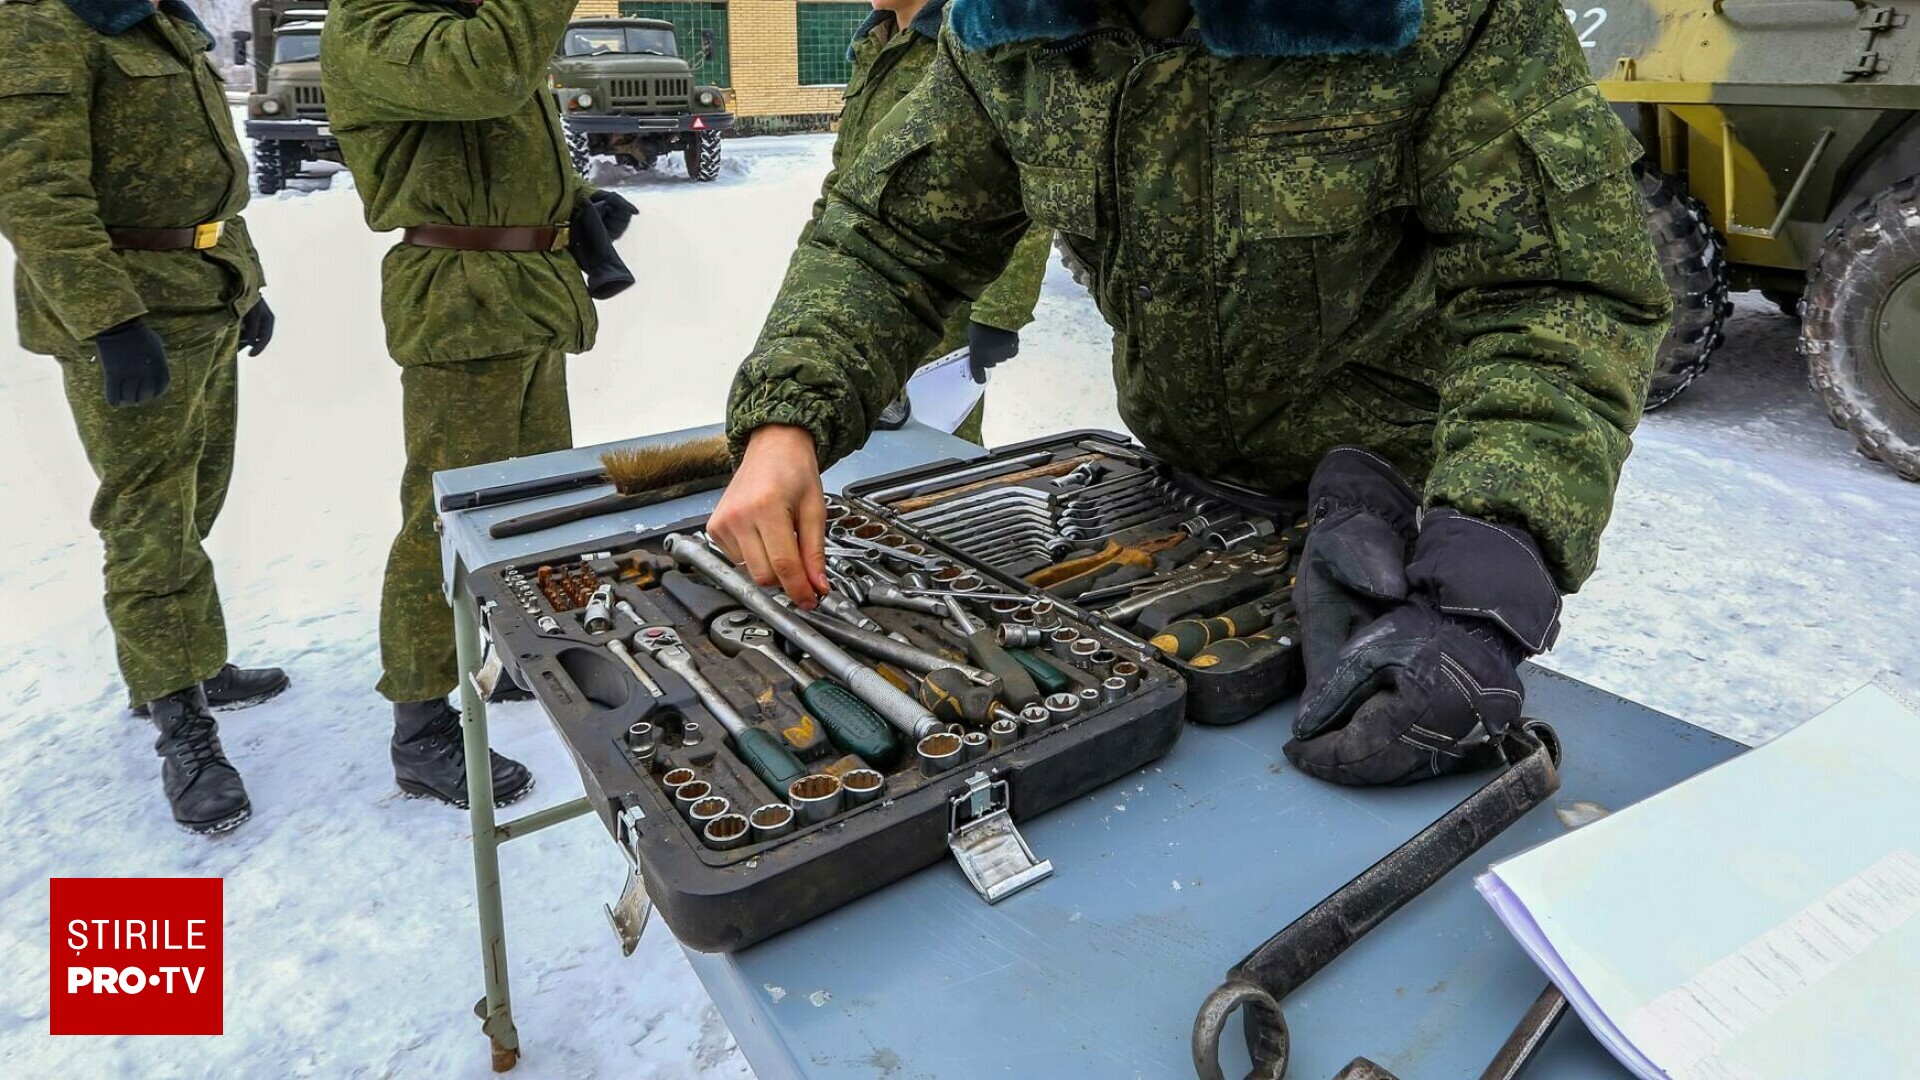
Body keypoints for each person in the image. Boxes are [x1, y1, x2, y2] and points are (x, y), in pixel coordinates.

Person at [710, 0, 1672, 786]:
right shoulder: (1013, 31)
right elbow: (890, 242)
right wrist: (789, 419)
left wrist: (1479, 583)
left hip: (1417, 537)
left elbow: (1558, 295)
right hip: (1176, 506)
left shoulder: (1439, 16)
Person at [323, 0, 635, 808]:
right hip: (461, 304)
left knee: (532, 505)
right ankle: (421, 724)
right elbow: (488, 71)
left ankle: (511, 654)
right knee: (446, 519)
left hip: (526, 293)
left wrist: (573, 200)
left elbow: (496, 141)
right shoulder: (373, 22)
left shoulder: (464, 18)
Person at [0, 0, 283, 833]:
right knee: (149, 521)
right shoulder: (45, 20)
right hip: (135, 312)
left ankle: (187, 661)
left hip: (204, 296)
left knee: (196, 498)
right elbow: (34, 189)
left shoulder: (158, 19)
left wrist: (247, 286)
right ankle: (181, 724)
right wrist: (109, 321)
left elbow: (212, 178)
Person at [817, 0, 1052, 443]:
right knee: (860, 446)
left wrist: (999, 313)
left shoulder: (975, 35)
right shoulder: (873, 44)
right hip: (856, 295)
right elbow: (841, 180)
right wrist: (811, 271)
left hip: (938, 299)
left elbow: (1029, 185)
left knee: (939, 446)